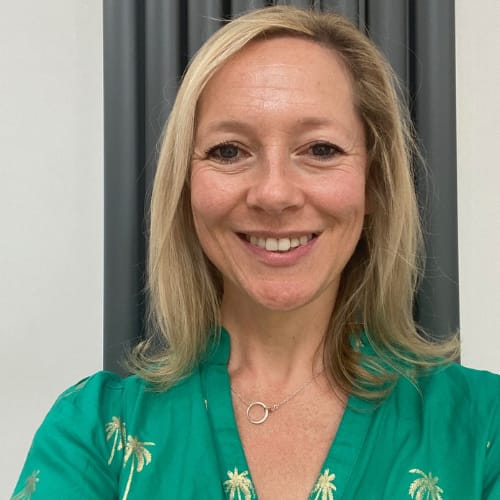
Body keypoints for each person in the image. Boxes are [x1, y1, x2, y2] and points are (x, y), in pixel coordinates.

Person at [12, 6, 499, 500]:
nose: (274, 193)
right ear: (185, 185)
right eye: (229, 151)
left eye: (321, 149)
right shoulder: (92, 433)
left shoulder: (485, 429)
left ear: (374, 183)